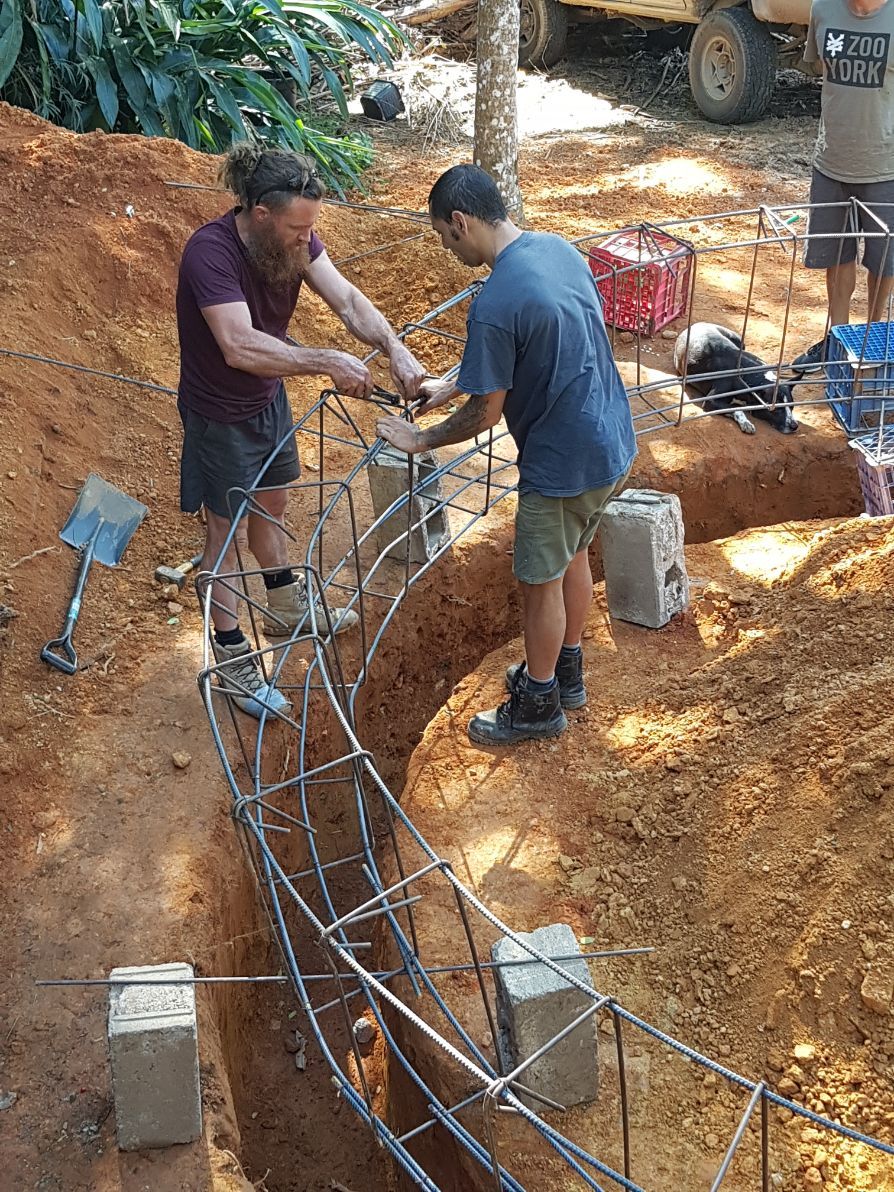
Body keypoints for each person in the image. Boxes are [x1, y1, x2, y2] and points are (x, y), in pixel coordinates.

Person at [376, 164, 636, 746]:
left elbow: (484, 415)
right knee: (572, 556)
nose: (448, 249)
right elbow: (536, 347)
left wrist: (420, 440)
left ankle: (539, 703)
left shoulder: (494, 301)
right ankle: (567, 673)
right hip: (611, 439)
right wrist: (450, 383)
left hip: (561, 461)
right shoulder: (558, 251)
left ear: (460, 221)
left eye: (446, 237)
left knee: (538, 580)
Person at [177, 143, 424, 713]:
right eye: (296, 227)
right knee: (225, 534)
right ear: (261, 214)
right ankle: (233, 658)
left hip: (267, 402)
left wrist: (393, 347)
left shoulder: (292, 238)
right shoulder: (209, 254)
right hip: (219, 416)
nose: (305, 238)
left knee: (273, 508)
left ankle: (286, 607)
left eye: (309, 227)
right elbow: (238, 345)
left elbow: (348, 301)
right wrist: (326, 361)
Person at [795, 0, 894, 373]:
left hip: (887, 165)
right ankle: (838, 344)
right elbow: (823, 68)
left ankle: (871, 344)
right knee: (837, 259)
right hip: (831, 162)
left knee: (884, 263)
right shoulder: (823, 10)